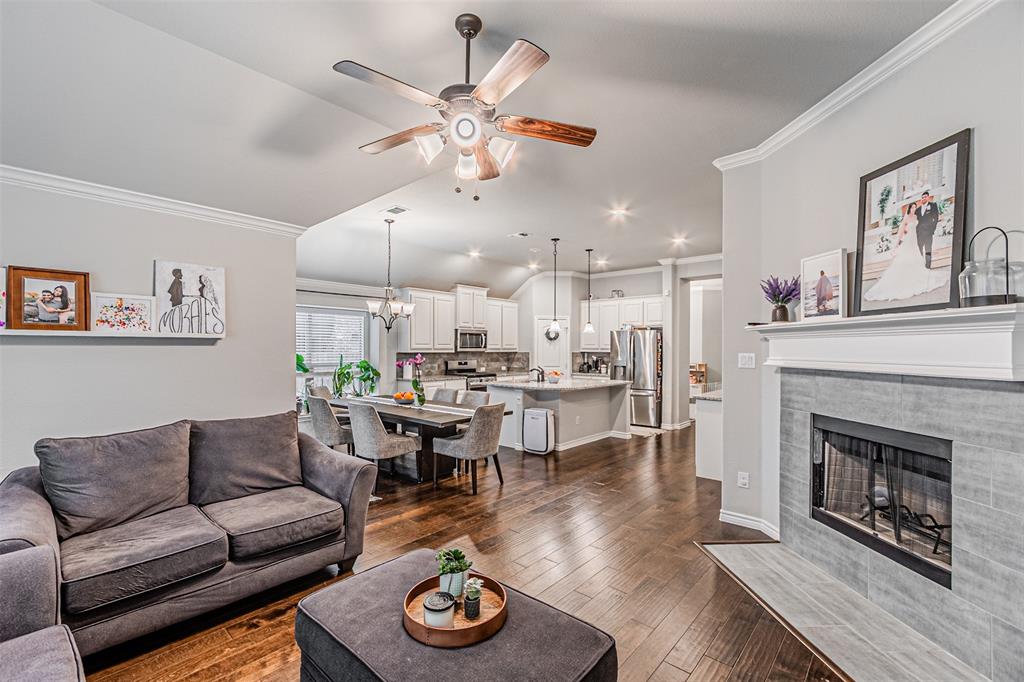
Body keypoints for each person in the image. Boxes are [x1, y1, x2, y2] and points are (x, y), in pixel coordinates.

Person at [865, 203, 948, 302]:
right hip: (908, 240)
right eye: (912, 207)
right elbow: (901, 232)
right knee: (905, 258)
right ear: (909, 208)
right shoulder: (907, 218)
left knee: (916, 257)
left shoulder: (916, 216)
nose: (913, 208)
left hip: (915, 240)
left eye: (914, 207)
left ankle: (916, 274)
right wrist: (896, 245)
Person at [914, 191, 940, 269]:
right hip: (919, 233)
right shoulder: (917, 210)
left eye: (925, 197)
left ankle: (928, 266)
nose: (923, 198)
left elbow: (936, 218)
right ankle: (921, 265)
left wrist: (932, 230)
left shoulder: (933, 205)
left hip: (928, 233)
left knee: (928, 250)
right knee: (920, 250)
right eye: (922, 197)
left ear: (928, 197)